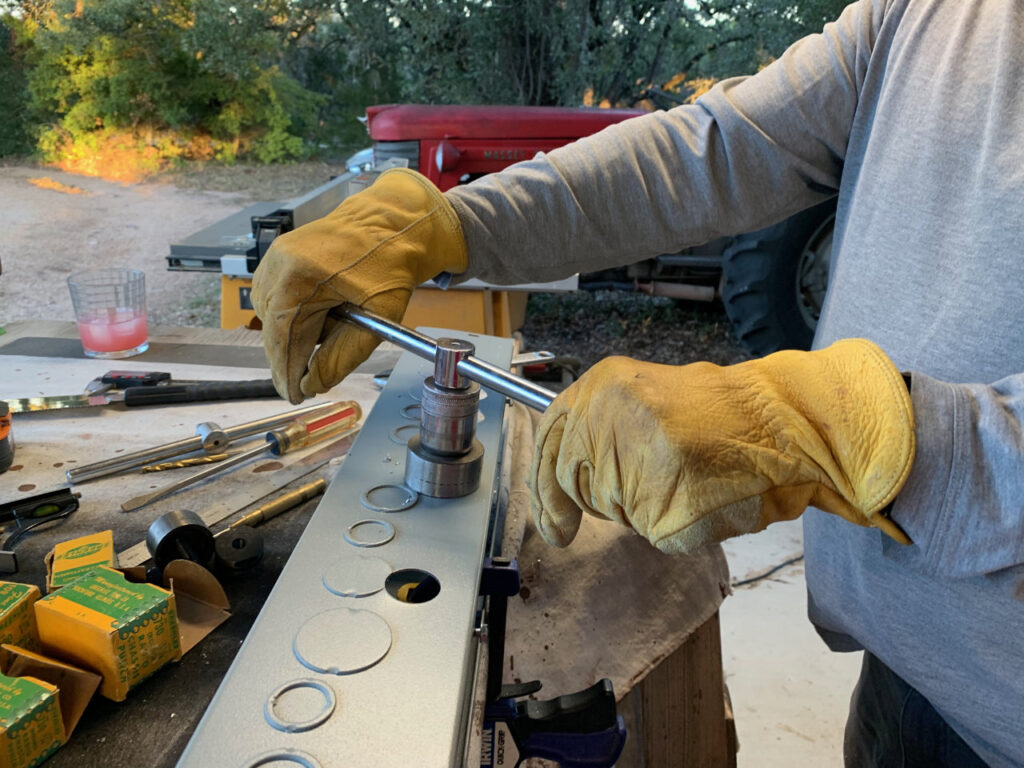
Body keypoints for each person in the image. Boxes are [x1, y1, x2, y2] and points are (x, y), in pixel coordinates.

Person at [251, 1, 1024, 765]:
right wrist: (458, 225)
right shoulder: (930, 15)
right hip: (910, 667)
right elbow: (708, 152)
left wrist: (859, 430)